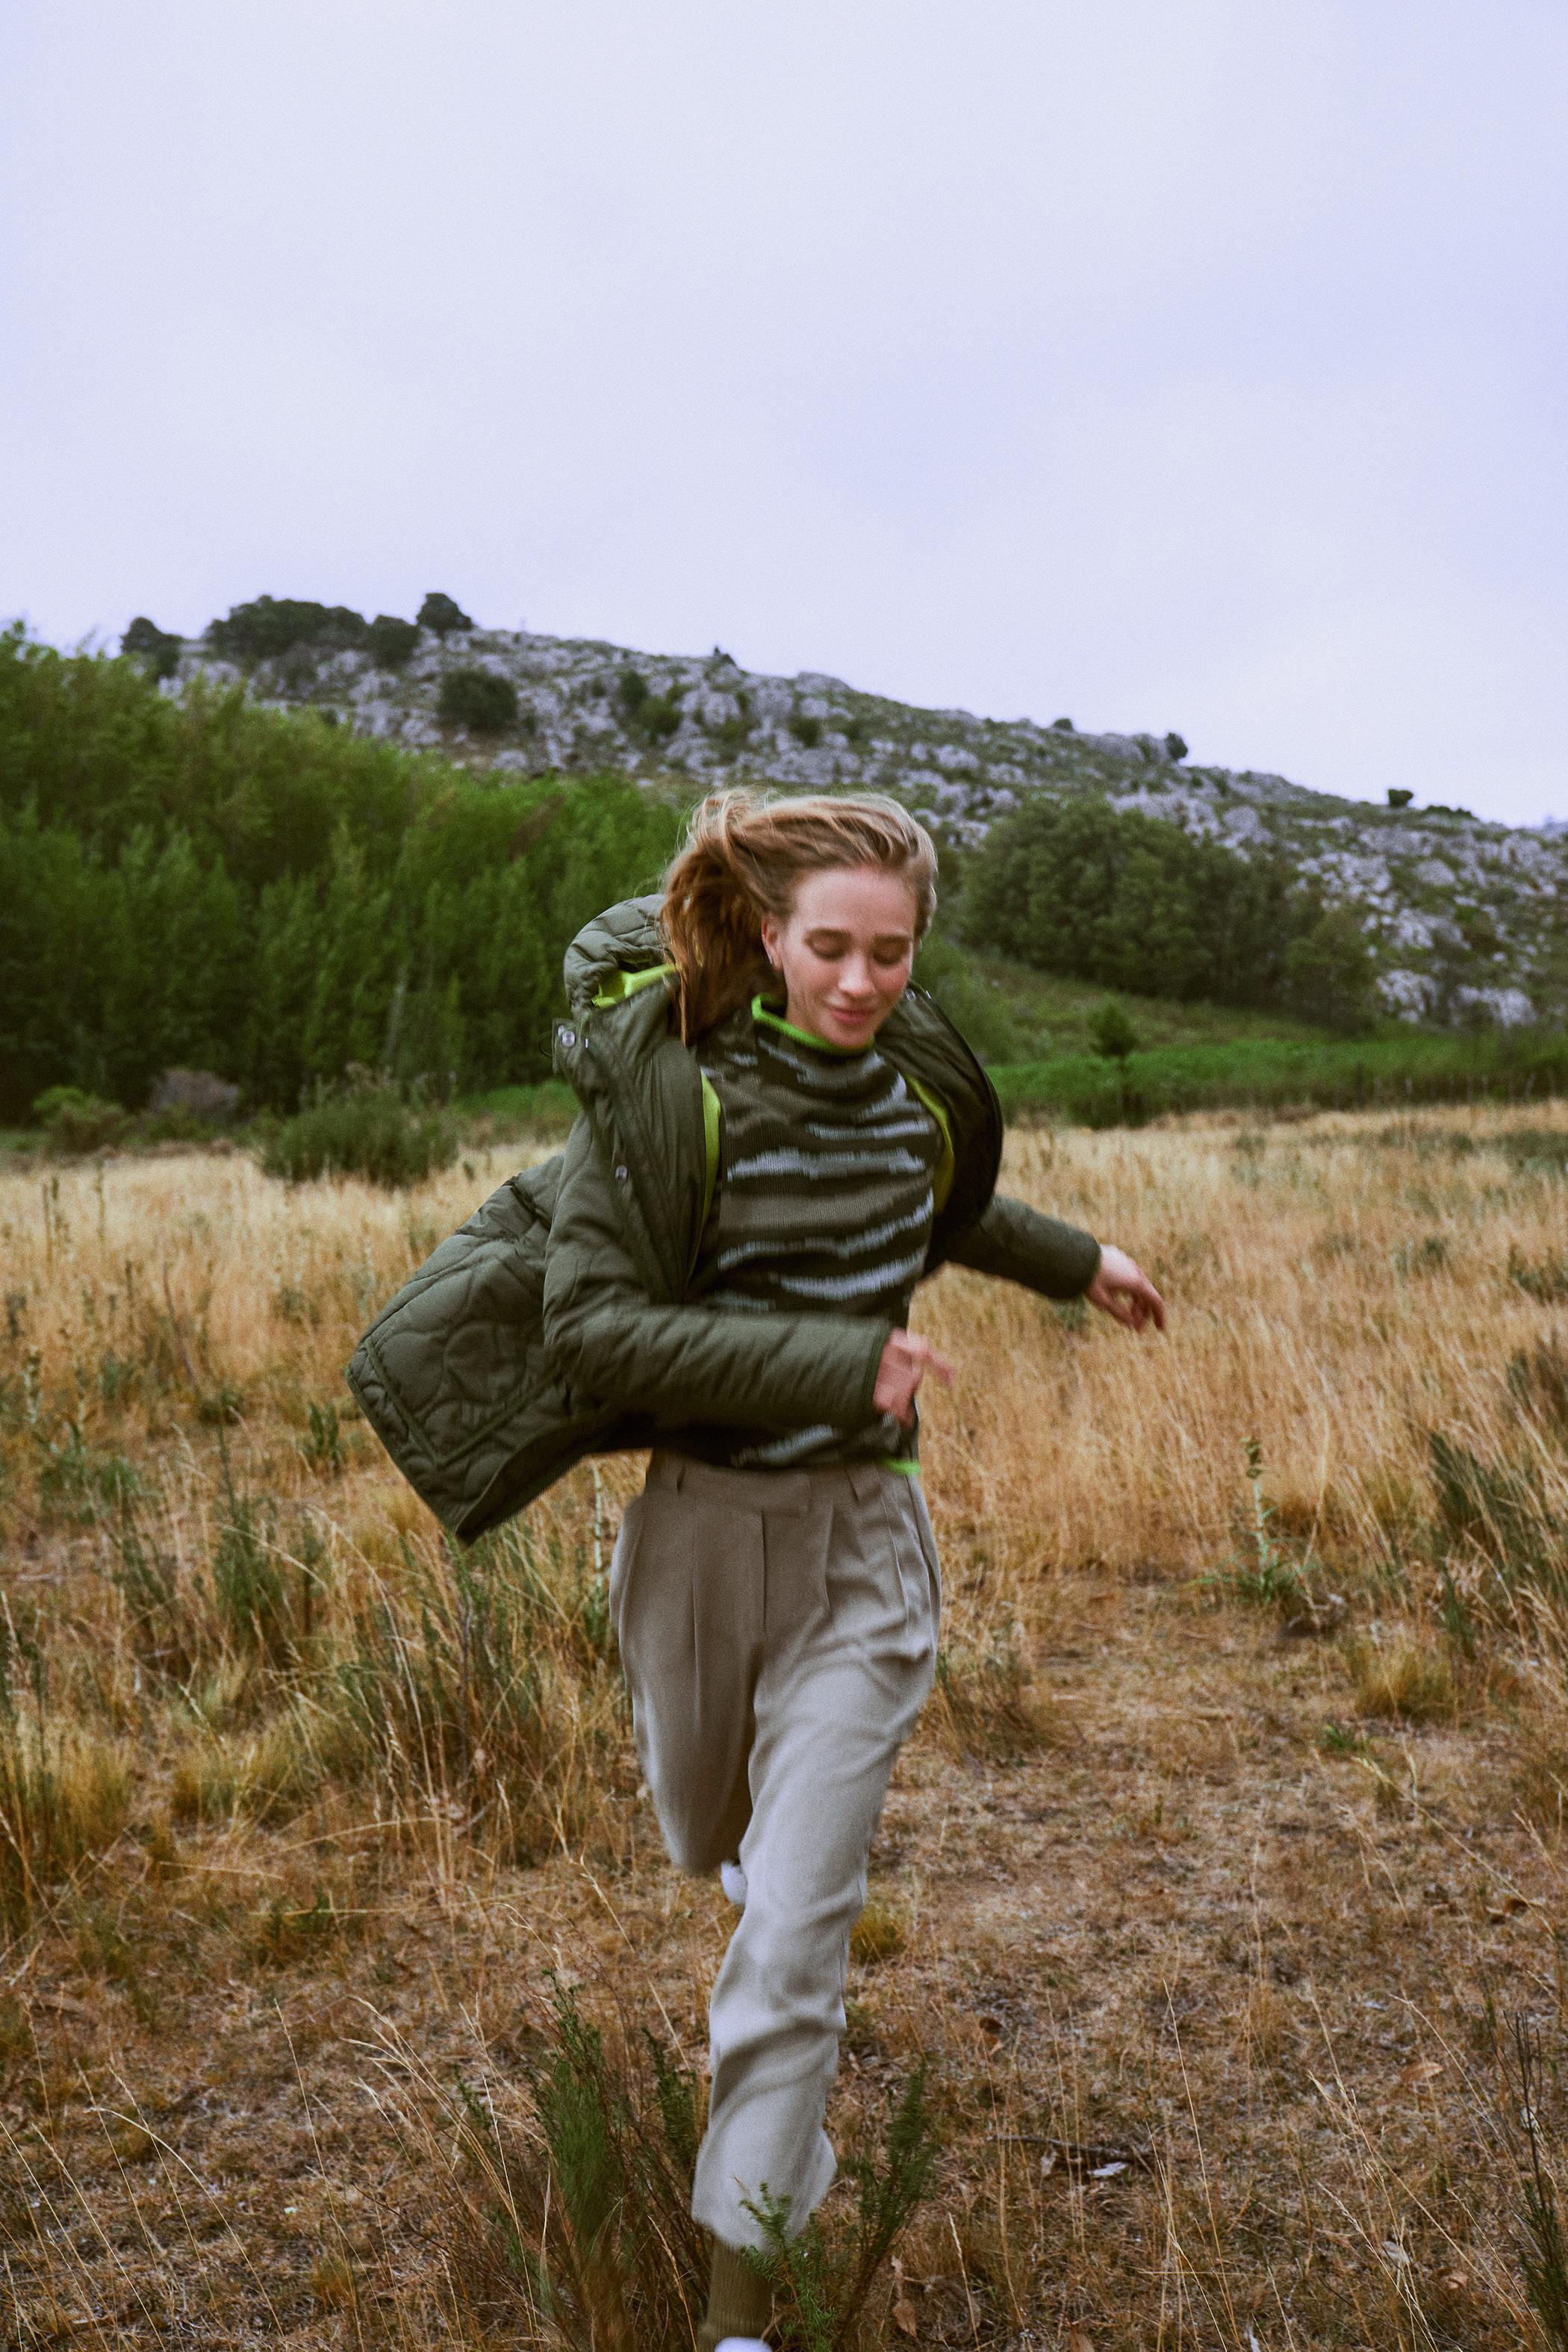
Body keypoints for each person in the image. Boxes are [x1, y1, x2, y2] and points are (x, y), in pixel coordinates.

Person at [348, 788, 1164, 2352]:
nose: (862, 982)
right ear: (773, 934)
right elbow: (592, 1329)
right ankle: (738, 1848)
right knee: (695, 1824)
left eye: (893, 956)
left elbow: (946, 1206)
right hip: (702, 1537)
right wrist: (835, 1360)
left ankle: (740, 2302)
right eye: (833, 948)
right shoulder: (677, 1102)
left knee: (793, 1945)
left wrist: (1083, 1261)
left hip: (867, 1551)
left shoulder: (913, 1100)